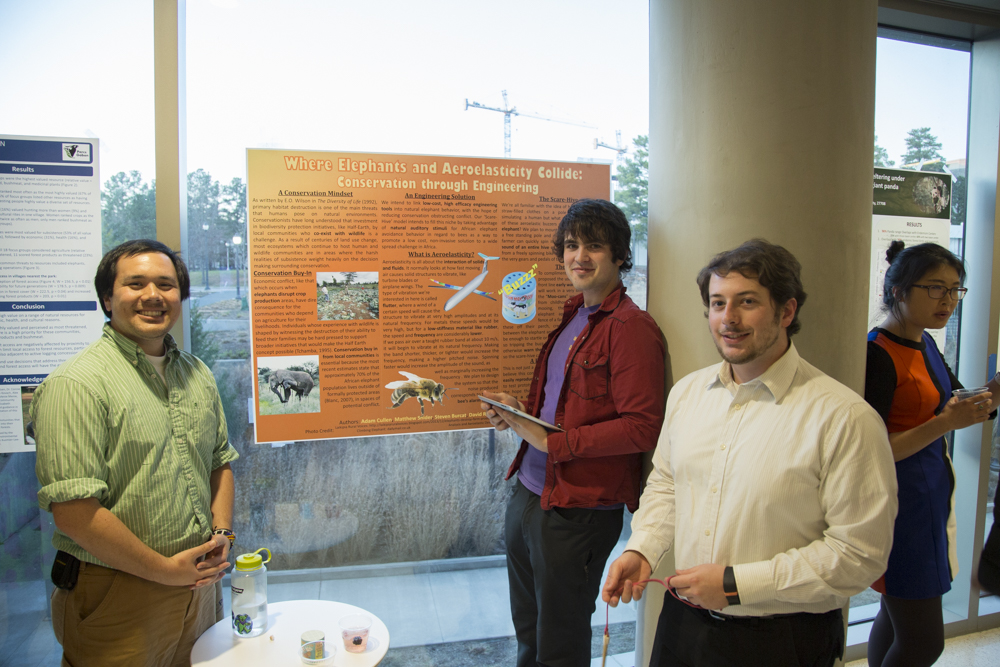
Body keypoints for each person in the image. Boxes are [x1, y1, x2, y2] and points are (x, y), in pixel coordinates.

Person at [602, 238, 898, 667]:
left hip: (782, 638)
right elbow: (668, 485)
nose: (729, 319)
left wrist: (737, 584)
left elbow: (859, 555)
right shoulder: (687, 394)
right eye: (718, 303)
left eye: (747, 302)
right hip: (683, 625)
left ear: (787, 311)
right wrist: (641, 549)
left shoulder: (845, 417)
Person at [32, 239, 239, 667]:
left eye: (166, 284)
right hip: (117, 593)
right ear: (108, 297)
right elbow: (73, 512)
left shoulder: (196, 374)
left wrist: (221, 537)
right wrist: (166, 571)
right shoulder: (77, 384)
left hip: (198, 584)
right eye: (135, 283)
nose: (153, 295)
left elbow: (219, 463)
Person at [480, 199, 667, 667]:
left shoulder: (632, 328)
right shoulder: (573, 315)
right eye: (571, 245)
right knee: (529, 633)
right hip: (529, 492)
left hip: (578, 509)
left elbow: (643, 427)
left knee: (559, 645)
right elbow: (560, 409)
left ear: (620, 255)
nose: (579, 256)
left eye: (594, 246)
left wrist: (555, 442)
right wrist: (518, 414)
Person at [865, 241, 998, 667]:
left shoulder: (924, 344)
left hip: (928, 501)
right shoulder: (877, 354)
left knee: (895, 616)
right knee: (925, 642)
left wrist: (993, 391)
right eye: (936, 288)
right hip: (899, 509)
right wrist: (943, 424)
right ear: (899, 290)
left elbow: (961, 401)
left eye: (956, 290)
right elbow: (869, 452)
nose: (948, 301)